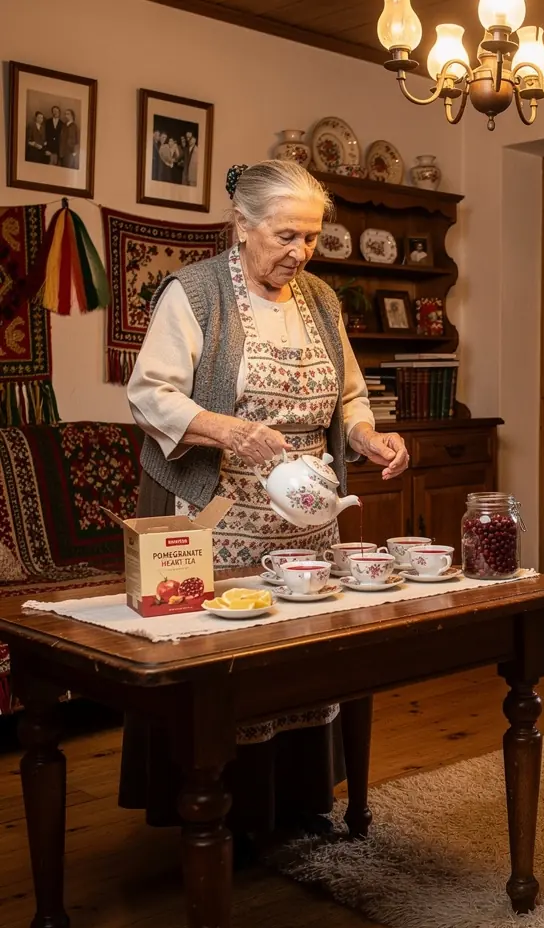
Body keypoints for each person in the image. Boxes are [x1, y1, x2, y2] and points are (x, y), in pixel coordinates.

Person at [121, 159, 411, 855]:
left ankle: (298, 802)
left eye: (310, 237)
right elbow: (149, 393)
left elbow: (347, 394)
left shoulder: (319, 298)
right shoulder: (192, 293)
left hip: (302, 506)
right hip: (215, 506)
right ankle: (227, 809)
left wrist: (369, 436)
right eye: (285, 235)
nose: (299, 252)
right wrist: (230, 430)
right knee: (229, 655)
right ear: (241, 226)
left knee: (302, 652)